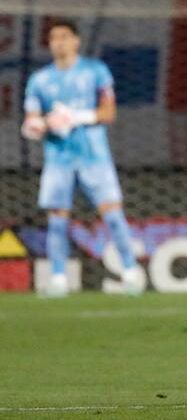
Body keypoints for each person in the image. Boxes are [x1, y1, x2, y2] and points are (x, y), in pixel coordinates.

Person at [21, 19, 141, 297]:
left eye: (64, 36)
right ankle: (58, 278)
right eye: (54, 38)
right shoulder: (39, 80)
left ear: (76, 40)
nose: (59, 43)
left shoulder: (95, 71)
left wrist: (76, 117)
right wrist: (38, 125)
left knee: (113, 215)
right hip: (58, 159)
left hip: (94, 157)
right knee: (57, 220)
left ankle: (131, 272)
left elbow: (108, 113)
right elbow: (31, 120)